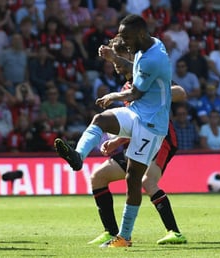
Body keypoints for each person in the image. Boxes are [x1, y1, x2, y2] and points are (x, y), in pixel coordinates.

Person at [54, 14, 172, 247]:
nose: (124, 41)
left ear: (139, 34)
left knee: (133, 178)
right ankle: (78, 156)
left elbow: (135, 92)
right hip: (138, 113)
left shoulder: (153, 58)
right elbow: (135, 69)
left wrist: (112, 96)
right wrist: (114, 56)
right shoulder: (152, 43)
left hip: (152, 125)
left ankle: (124, 237)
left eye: (126, 37)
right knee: (101, 119)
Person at [85, 35, 187, 246]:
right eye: (113, 61)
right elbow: (134, 122)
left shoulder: (151, 74)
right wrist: (116, 142)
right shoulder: (126, 89)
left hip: (161, 137)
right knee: (98, 177)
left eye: (118, 59)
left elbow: (180, 92)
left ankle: (174, 232)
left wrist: (158, 92)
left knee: (146, 181)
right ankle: (111, 232)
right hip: (136, 140)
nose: (115, 66)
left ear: (130, 55)